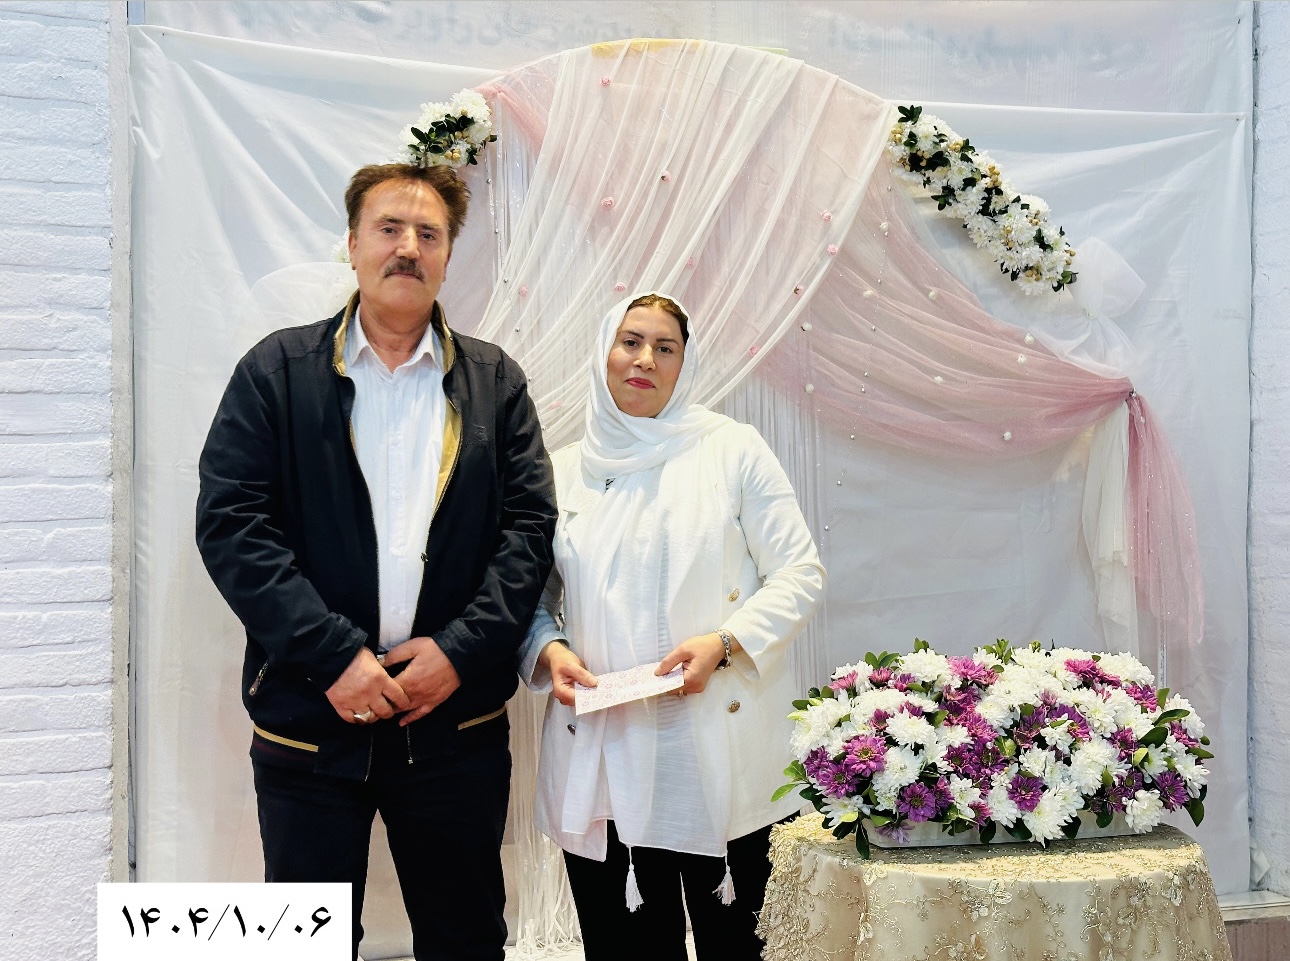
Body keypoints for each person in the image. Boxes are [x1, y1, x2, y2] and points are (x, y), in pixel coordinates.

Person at [195, 162, 557, 961]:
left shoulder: (495, 383)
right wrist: (332, 655)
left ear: (448, 256)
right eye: (389, 228)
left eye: (429, 234)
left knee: (466, 940)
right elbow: (232, 524)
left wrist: (459, 652)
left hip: (454, 726)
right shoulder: (277, 372)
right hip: (309, 720)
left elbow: (529, 531)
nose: (408, 247)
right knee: (305, 945)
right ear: (353, 243)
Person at [518, 292, 825, 960]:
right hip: (607, 748)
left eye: (665, 348)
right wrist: (550, 648)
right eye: (630, 341)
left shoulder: (731, 450)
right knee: (626, 946)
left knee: (738, 944)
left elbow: (799, 572)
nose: (645, 360)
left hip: (715, 739)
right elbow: (529, 597)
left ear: (685, 365)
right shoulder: (562, 471)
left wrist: (724, 643)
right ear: (604, 351)